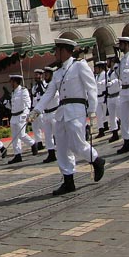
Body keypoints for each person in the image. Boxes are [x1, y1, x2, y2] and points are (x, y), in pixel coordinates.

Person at [48, 39, 105, 196]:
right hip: (62, 112)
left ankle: (96, 160)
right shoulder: (57, 72)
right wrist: (36, 111)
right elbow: (49, 94)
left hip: (77, 109)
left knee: (77, 144)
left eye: (57, 50)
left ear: (65, 51)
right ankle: (68, 180)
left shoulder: (79, 65)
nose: (55, 54)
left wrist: (92, 110)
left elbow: (91, 86)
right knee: (62, 147)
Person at [28, 66, 59, 163]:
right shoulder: (38, 86)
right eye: (45, 74)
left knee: (57, 134)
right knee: (48, 135)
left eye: (47, 74)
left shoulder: (53, 85)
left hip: (54, 112)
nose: (45, 76)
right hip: (46, 113)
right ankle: (51, 153)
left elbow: (52, 95)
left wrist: (42, 86)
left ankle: (63, 152)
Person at [5, 74, 34, 164]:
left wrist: (26, 115)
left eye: (11, 81)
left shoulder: (23, 90)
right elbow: (13, 106)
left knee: (22, 135)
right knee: (15, 137)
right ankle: (17, 155)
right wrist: (6, 104)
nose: (10, 83)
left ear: (15, 82)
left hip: (21, 115)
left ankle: (33, 143)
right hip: (14, 116)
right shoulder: (13, 92)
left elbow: (28, 103)